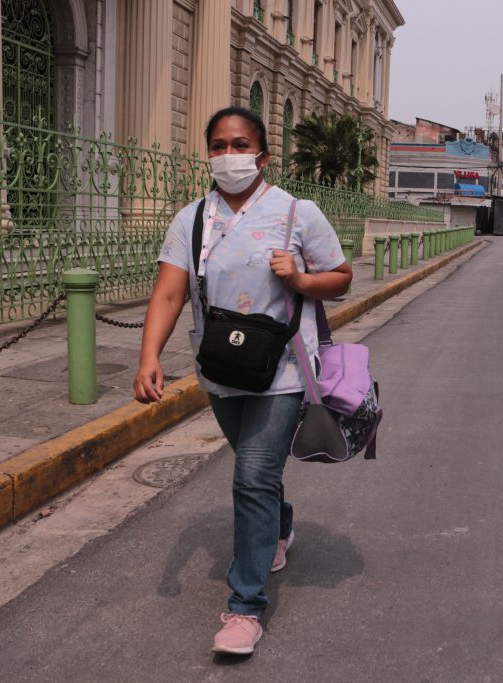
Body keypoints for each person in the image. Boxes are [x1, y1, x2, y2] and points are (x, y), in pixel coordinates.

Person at [133, 107, 352, 656]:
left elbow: (341, 278)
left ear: (263, 155)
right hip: (222, 368)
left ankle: (244, 607)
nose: (229, 155)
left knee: (252, 475)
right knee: (258, 471)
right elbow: (169, 292)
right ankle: (279, 525)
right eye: (219, 146)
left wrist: (300, 278)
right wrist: (148, 356)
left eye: (240, 145)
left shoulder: (296, 213)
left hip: (284, 369)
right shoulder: (192, 220)